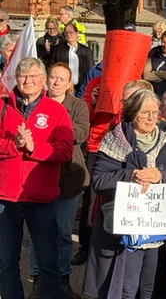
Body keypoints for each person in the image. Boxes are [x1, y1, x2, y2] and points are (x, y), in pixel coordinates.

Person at [83, 88, 166, 298]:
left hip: (158, 229)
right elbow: (99, 180)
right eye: (144, 112)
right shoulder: (115, 140)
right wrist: (130, 175)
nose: (151, 118)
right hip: (125, 230)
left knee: (150, 287)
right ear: (132, 113)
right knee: (126, 288)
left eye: (154, 112)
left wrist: (160, 176)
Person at [0, 57, 74, 299]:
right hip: (6, 197)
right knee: (6, 261)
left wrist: (34, 147)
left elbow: (65, 150)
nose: (27, 80)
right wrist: (14, 145)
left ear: (43, 80)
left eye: (33, 76)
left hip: (41, 198)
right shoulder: (2, 107)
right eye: (23, 76)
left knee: (48, 262)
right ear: (16, 79)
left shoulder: (57, 111)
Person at [27, 62, 89, 299]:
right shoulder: (34, 104)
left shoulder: (77, 106)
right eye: (52, 77)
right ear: (46, 79)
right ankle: (38, 278)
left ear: (69, 83)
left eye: (61, 79)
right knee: (37, 231)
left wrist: (51, 127)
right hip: (39, 176)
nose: (55, 82)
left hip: (69, 179)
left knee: (63, 232)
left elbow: (81, 133)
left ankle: (62, 279)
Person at [49, 23, 95, 94]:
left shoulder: (86, 51)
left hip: (82, 89)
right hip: (63, 88)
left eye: (71, 32)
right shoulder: (57, 50)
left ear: (77, 34)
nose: (68, 34)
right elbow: (50, 68)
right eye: (66, 33)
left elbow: (91, 70)